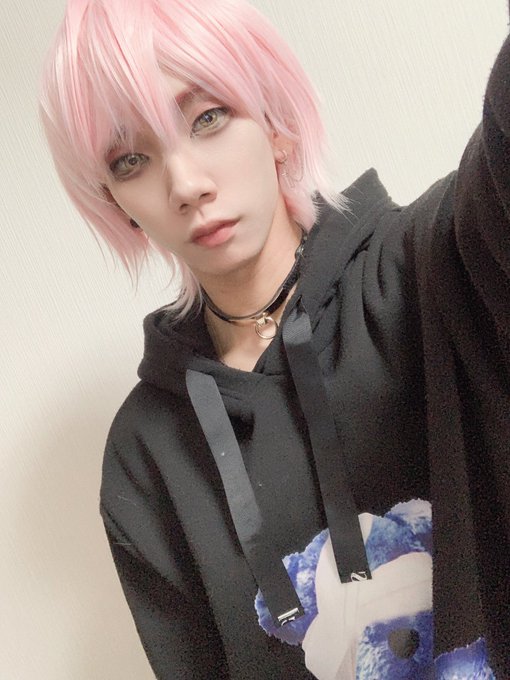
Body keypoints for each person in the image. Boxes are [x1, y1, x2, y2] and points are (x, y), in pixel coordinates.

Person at [39, 0, 510, 677]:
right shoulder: (147, 452)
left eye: (207, 118)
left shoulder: (434, 260)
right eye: (131, 159)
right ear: (117, 203)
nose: (186, 185)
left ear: (277, 124)